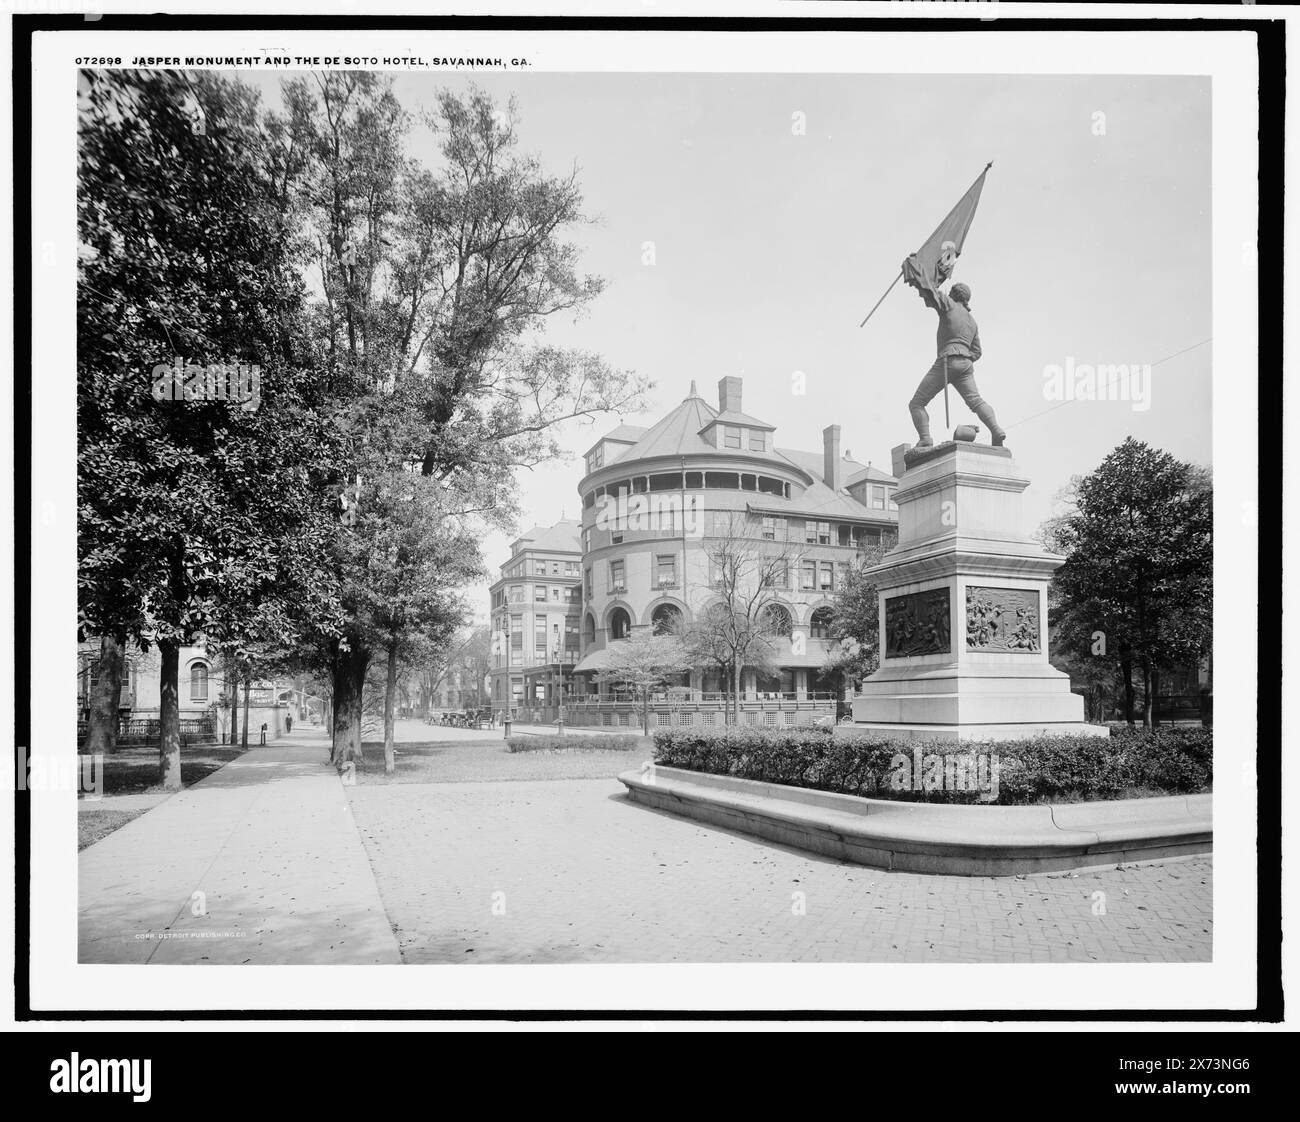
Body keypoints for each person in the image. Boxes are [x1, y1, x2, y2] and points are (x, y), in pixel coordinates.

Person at [908, 282, 1006, 448]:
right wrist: (964, 357)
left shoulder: (949, 305)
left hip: (947, 361)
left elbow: (931, 290)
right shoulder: (972, 322)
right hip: (966, 365)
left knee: (917, 403)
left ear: (953, 294)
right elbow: (977, 351)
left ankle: (925, 438)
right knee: (977, 401)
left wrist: (918, 270)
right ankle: (996, 430)